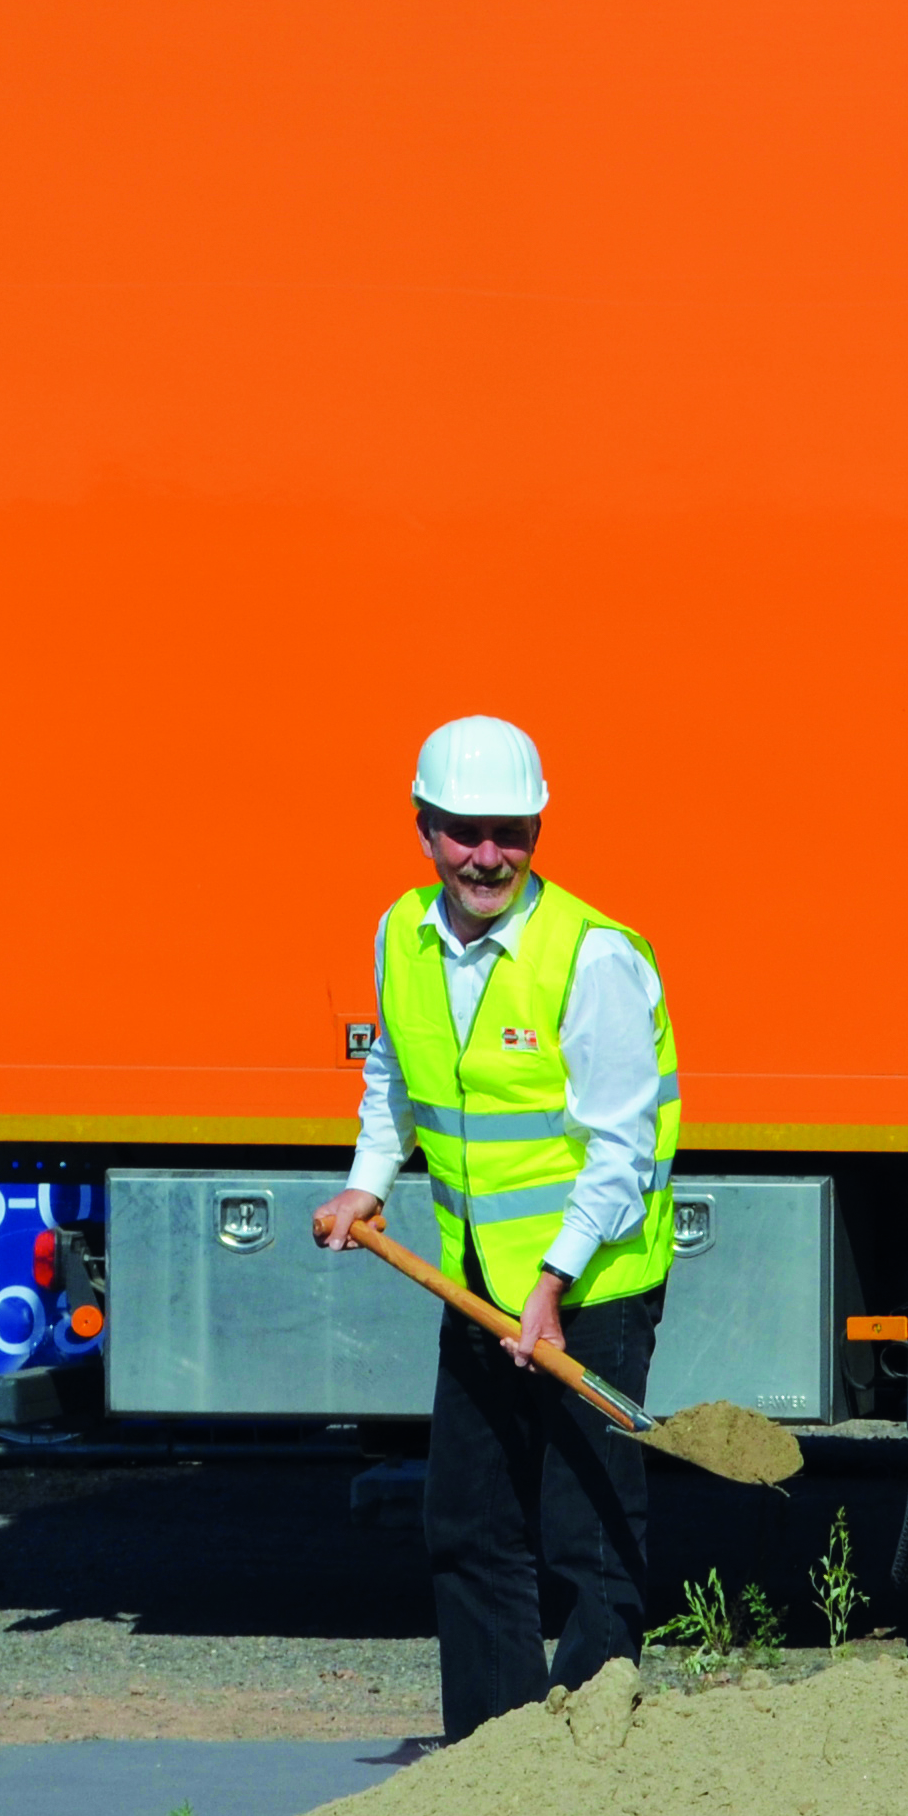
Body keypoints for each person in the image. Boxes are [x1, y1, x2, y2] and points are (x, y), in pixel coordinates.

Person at [309, 716, 684, 1743]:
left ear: (537, 829)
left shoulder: (593, 956)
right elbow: (392, 1079)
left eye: (510, 832)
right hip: (479, 1287)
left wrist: (553, 1289)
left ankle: (595, 1752)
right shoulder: (401, 934)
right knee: (465, 1527)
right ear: (424, 829)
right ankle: (494, 1758)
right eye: (464, 832)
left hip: (591, 1291)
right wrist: (366, 1183)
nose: (488, 855)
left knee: (588, 1533)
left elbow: (624, 1152)